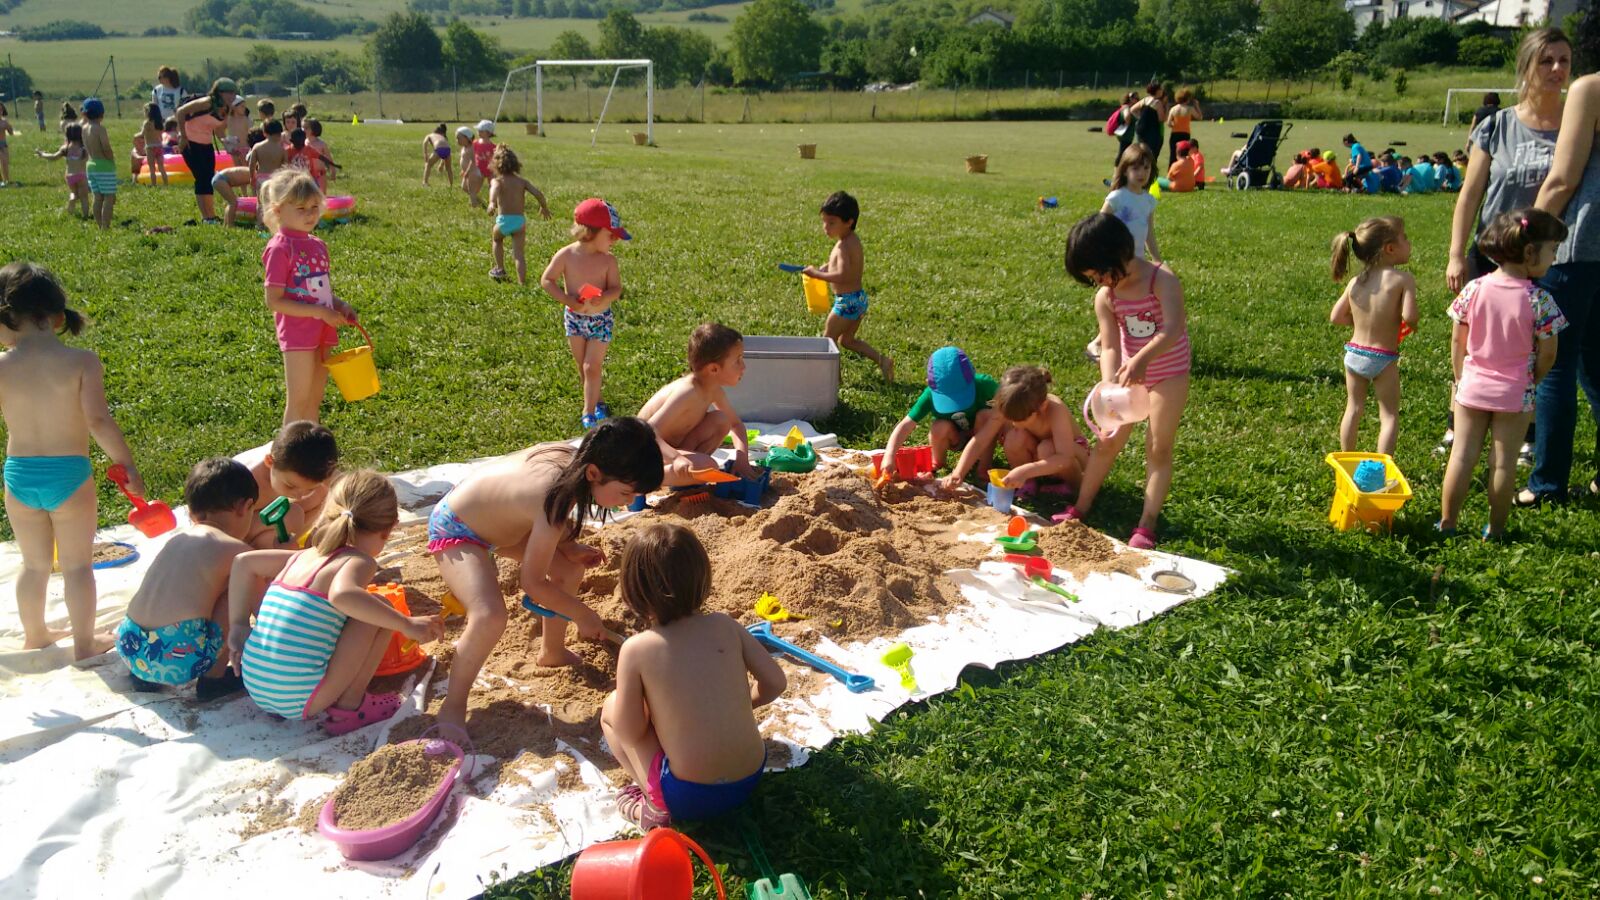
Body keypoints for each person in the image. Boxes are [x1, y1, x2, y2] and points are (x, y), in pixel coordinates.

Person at [427, 418, 664, 736]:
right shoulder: (554, 493)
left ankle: (552, 652)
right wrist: (583, 614)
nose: (628, 502)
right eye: (625, 493)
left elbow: (538, 513)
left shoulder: (578, 463)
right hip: (457, 527)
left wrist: (569, 546)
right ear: (594, 473)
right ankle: (453, 705)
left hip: (502, 523)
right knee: (489, 615)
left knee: (569, 568)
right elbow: (532, 582)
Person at [0, 262, 144, 661]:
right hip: (69, 476)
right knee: (78, 567)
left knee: (33, 565)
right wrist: (126, 464)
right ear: (56, 315)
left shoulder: (2, 366)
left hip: (19, 477)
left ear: (7, 316)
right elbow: (98, 421)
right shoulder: (82, 361)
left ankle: (35, 635)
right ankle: (84, 643)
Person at [601, 523, 785, 830]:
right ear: (702, 578)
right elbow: (776, 683)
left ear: (633, 591)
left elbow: (630, 734)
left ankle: (654, 807)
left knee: (612, 708)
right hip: (750, 778)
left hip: (688, 798)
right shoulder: (726, 626)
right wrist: (740, 704)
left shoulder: (636, 649)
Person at [230, 470, 443, 735]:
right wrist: (406, 624)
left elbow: (243, 563)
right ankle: (350, 707)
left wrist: (239, 624)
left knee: (358, 609)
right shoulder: (359, 561)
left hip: (256, 685)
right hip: (300, 698)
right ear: (388, 530)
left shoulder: (303, 556)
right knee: (380, 608)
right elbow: (342, 595)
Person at [1446, 28, 1570, 459]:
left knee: (1533, 347)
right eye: (1546, 60)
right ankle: (1458, 422)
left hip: (1547, 259)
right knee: (1474, 341)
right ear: (1526, 66)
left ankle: (1525, 430)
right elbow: (1470, 195)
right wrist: (1456, 253)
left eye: (1564, 60)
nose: (1557, 69)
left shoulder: (1579, 124)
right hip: (1493, 254)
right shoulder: (1497, 125)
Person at [1060, 213, 1191, 550]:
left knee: (1158, 446)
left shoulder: (1161, 279)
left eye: (1100, 274)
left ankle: (1147, 524)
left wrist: (1142, 360)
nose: (1101, 283)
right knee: (1107, 441)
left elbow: (1172, 328)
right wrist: (1109, 386)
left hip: (1168, 372)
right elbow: (1109, 346)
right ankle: (1081, 507)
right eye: (1093, 279)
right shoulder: (1107, 296)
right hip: (1129, 375)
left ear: (1117, 253)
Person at [1439, 209, 1569, 539]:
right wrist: (1533, 379)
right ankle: (1495, 529)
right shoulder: (1540, 300)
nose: (1555, 258)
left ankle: (1448, 523)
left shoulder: (1474, 288)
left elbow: (1458, 340)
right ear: (1530, 253)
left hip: (1472, 386)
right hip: (1515, 392)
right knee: (1502, 463)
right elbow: (1549, 353)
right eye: (1553, 250)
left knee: (1461, 456)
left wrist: (1460, 377)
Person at [118, 458, 257, 698]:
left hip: (131, 648)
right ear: (245, 507)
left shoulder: (178, 540)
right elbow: (263, 606)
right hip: (175, 659)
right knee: (236, 588)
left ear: (191, 512)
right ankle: (214, 679)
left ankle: (144, 678)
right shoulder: (238, 552)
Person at [1528, 62, 1600, 505]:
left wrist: (1529, 233)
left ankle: (1546, 486)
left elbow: (1562, 178)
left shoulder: (1590, 88)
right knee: (1597, 364)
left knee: (1556, 364)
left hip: (1583, 245)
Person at [259, 170, 358, 424]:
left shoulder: (317, 245)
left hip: (323, 329)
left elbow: (318, 290)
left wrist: (339, 305)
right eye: (301, 208)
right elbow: (274, 300)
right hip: (298, 334)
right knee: (299, 401)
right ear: (278, 210)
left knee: (314, 399)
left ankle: (311, 447)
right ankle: (288, 449)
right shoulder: (280, 248)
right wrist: (320, 312)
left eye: (314, 206)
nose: (310, 214)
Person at [1329, 217, 1418, 456]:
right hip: (1383, 358)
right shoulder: (1403, 280)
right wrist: (1412, 324)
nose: (1409, 243)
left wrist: (1360, 321)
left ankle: (1347, 459)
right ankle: (1381, 465)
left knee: (1353, 408)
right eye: (1405, 238)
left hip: (1354, 354)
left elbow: (1336, 317)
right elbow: (1409, 316)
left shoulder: (1355, 281)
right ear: (1390, 248)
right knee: (1389, 415)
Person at [638, 323, 759, 486]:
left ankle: (683, 477)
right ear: (714, 369)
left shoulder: (713, 390)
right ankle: (641, 480)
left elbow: (736, 425)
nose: (743, 367)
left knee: (721, 420)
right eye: (738, 360)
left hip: (671, 451)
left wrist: (742, 458)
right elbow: (646, 432)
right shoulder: (687, 392)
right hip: (643, 453)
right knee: (708, 466)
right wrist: (676, 458)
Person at [542, 199, 629, 428]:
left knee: (592, 367)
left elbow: (616, 289)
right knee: (583, 367)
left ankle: (588, 412)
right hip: (574, 319)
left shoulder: (608, 260)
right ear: (590, 232)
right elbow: (547, 280)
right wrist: (567, 299)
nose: (615, 240)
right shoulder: (567, 255)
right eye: (610, 235)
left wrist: (605, 297)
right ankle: (598, 401)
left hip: (600, 320)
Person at [940, 365, 1087, 497]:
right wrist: (958, 472)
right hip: (1041, 456)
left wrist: (1026, 470)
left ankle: (1073, 487)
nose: (1014, 423)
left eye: (1019, 419)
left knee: (1047, 448)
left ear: (1041, 407)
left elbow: (1065, 458)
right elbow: (980, 440)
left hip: (1073, 458)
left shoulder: (1055, 410)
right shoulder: (1010, 404)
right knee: (1014, 438)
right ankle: (1027, 483)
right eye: (1009, 418)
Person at [803, 190, 894, 381]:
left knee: (828, 339)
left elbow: (843, 275)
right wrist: (826, 267)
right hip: (858, 299)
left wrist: (817, 274)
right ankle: (883, 361)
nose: (826, 227)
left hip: (846, 302)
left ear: (849, 222)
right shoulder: (851, 240)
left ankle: (833, 381)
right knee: (847, 340)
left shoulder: (844, 246)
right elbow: (845, 266)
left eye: (831, 223)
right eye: (824, 222)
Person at [881, 346, 1000, 480]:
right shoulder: (929, 395)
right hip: (955, 437)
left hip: (982, 435)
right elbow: (906, 425)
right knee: (939, 427)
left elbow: (1009, 404)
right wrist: (889, 456)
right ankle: (937, 462)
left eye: (961, 394)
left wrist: (1006, 429)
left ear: (973, 375)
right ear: (929, 385)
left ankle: (984, 468)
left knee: (985, 416)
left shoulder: (985, 384)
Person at [1091, 145, 1161, 361]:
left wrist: (1157, 260)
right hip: (1116, 262)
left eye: (1146, 168)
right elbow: (1099, 225)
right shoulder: (1117, 198)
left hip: (1137, 262)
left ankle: (1124, 341)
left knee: (1129, 302)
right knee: (1114, 301)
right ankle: (1098, 343)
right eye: (1136, 168)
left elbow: (1149, 233)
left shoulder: (1148, 201)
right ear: (1125, 170)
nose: (1142, 173)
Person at [245, 420, 340, 549]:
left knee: (323, 493)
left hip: (259, 517)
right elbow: (224, 525)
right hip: (238, 530)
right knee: (293, 514)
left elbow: (341, 483)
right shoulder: (246, 482)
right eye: (290, 486)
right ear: (269, 461)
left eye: (309, 489)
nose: (299, 496)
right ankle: (268, 549)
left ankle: (289, 541)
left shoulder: (287, 455)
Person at [175, 78, 240, 223]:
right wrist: (183, 137)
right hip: (191, 143)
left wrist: (228, 146)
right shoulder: (207, 102)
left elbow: (218, 129)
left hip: (206, 144)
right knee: (201, 179)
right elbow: (180, 112)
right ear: (219, 92)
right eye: (228, 92)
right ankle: (206, 217)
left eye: (234, 93)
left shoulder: (227, 108)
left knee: (209, 179)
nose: (232, 96)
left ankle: (211, 215)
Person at [487, 145, 552, 284]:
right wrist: (544, 207)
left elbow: (494, 190)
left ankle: (500, 268)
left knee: (497, 240)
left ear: (496, 165)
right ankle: (522, 282)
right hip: (519, 221)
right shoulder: (522, 182)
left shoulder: (497, 181)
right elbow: (538, 193)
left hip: (504, 221)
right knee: (519, 254)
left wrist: (492, 203)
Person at [35, 123, 89, 218]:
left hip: (69, 176)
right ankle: (86, 215)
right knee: (84, 197)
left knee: (74, 193)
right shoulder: (84, 149)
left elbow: (53, 157)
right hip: (81, 175)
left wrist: (42, 154)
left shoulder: (66, 148)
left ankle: (71, 209)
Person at [80, 99, 116, 230]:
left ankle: (99, 224)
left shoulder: (84, 129)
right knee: (109, 198)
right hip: (104, 165)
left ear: (85, 114)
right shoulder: (100, 129)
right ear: (102, 114)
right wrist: (111, 159)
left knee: (97, 197)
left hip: (91, 165)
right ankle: (105, 226)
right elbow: (106, 147)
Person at [1165, 89, 1202, 167]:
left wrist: (1175, 124)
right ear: (1187, 98)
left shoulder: (1173, 109)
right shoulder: (1189, 109)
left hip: (1174, 134)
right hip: (1185, 134)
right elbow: (1199, 117)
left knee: (1173, 155)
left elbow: (1168, 123)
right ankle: (1183, 170)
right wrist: (1197, 106)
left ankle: (1171, 171)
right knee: (1184, 155)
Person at [247, 120, 287, 192]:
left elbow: (252, 164)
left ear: (264, 133)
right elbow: (285, 166)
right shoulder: (282, 149)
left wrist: (252, 177)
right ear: (279, 133)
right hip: (276, 178)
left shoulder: (257, 147)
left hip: (261, 178)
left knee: (261, 198)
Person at [138, 103, 168, 187]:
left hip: (150, 147)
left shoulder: (147, 123)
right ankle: (166, 184)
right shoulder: (160, 123)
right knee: (161, 168)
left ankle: (154, 184)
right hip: (159, 146)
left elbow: (142, 134)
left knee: (152, 168)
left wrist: (135, 136)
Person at [468, 119, 496, 208]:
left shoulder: (494, 147)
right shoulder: (475, 143)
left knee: (492, 187)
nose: (478, 132)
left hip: (491, 170)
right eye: (478, 130)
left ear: (488, 133)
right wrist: (469, 168)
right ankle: (474, 204)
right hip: (479, 170)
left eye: (481, 130)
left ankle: (493, 203)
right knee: (474, 189)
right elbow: (472, 158)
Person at [1109, 90, 1139, 168]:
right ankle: (1117, 171)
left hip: (1127, 134)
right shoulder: (1126, 107)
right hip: (1125, 134)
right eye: (1136, 98)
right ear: (1130, 99)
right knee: (1123, 152)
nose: (1137, 100)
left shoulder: (1130, 108)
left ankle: (1120, 169)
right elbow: (1127, 116)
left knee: (1124, 152)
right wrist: (1127, 123)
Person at [455, 126, 480, 207]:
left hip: (473, 172)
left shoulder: (471, 148)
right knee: (464, 188)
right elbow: (465, 159)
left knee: (471, 190)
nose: (457, 141)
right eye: (456, 138)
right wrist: (463, 170)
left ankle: (474, 206)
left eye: (459, 138)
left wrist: (467, 171)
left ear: (467, 138)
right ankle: (476, 200)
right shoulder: (464, 147)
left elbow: (473, 161)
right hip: (468, 172)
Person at [304, 119, 334, 183]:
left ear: (314, 129)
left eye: (306, 128)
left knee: (320, 190)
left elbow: (329, 159)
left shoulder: (321, 144)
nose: (303, 130)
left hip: (320, 175)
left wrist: (333, 171)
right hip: (307, 175)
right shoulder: (304, 142)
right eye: (303, 127)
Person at [0, 101, 13, 187]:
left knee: (5, 163)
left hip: (3, 144)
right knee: (3, 160)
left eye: (1, 109)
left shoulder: (4, 122)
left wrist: (9, 127)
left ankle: (6, 180)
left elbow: (11, 133)